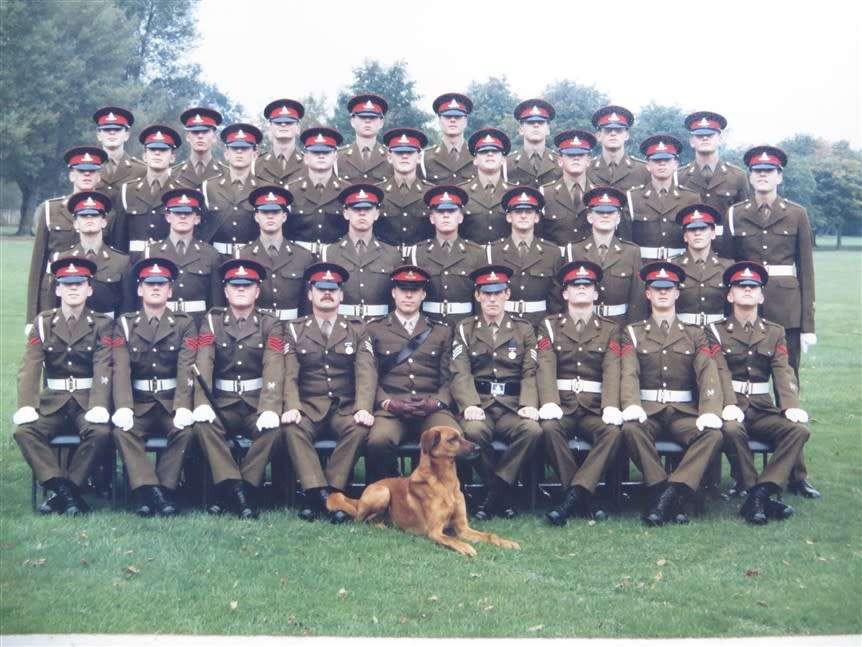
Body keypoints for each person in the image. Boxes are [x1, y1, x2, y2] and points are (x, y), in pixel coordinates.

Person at [723, 145, 819, 498]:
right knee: (737, 388)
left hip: (785, 310)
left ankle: (796, 474)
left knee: (787, 388)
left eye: (769, 171)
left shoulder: (796, 214)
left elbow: (806, 269)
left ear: (779, 176)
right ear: (750, 176)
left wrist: (807, 324)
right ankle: (740, 475)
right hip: (744, 306)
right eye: (757, 171)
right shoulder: (736, 213)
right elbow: (728, 267)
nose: (763, 176)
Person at [619, 261, 724, 526]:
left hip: (682, 412)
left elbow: (707, 372)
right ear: (648, 294)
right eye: (657, 288)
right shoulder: (632, 333)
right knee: (631, 429)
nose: (663, 293)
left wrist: (710, 410)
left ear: (677, 293)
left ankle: (672, 490)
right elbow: (629, 372)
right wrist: (632, 404)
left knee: (712, 434)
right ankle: (660, 489)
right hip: (649, 410)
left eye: (669, 288)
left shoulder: (695, 334)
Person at [708, 262, 811, 523]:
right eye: (740, 287)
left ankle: (761, 492)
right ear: (730, 295)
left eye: (752, 287)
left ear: (761, 296)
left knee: (798, 430)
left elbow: (782, 372)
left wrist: (790, 405)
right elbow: (718, 372)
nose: (747, 290)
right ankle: (754, 489)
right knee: (731, 429)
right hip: (732, 407)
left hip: (762, 408)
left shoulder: (774, 332)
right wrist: (727, 403)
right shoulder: (715, 332)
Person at [14, 257, 114, 515]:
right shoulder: (44, 323)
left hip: (86, 401)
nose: (73, 288)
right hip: (54, 401)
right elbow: (30, 367)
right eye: (66, 283)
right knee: (25, 431)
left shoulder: (102, 324)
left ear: (89, 289)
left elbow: (104, 366)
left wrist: (99, 405)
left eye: (79, 284)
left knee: (100, 433)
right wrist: (27, 404)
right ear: (57, 289)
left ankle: (66, 490)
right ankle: (63, 489)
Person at [282, 262, 376, 522]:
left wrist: (363, 408)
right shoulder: (292, 329)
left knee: (359, 428)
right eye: (320, 289)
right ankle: (319, 494)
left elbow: (366, 371)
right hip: (309, 406)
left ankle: (333, 491)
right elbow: (289, 373)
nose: (327, 293)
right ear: (310, 294)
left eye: (332, 289)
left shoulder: (357, 328)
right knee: (292, 428)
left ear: (341, 295)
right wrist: (292, 406)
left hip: (344, 407)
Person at [192, 259, 286, 519]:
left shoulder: (271, 324)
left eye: (248, 285)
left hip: (256, 403)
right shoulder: (213, 321)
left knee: (273, 430)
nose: (241, 289)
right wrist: (202, 402)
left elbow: (274, 365)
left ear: (257, 291)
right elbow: (204, 361)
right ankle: (237, 490)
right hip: (224, 402)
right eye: (235, 285)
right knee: (203, 426)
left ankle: (241, 487)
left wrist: (269, 407)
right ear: (226, 291)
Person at [450, 265, 542, 521]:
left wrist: (528, 403)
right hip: (481, 404)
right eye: (486, 293)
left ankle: (495, 492)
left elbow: (530, 371)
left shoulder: (524, 330)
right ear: (477, 296)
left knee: (532, 430)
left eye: (497, 293)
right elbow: (460, 371)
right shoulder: (465, 328)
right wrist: (469, 403)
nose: (492, 299)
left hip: (513, 405)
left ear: (507, 294)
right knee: (473, 431)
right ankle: (500, 493)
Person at [538, 261, 624, 525]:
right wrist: (550, 401)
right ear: (565, 294)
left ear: (596, 293)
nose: (582, 290)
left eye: (587, 286)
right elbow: (545, 364)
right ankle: (585, 496)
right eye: (575, 286)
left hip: (593, 407)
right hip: (561, 405)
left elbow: (612, 368)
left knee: (612, 432)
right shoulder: (549, 326)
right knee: (550, 428)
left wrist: (610, 405)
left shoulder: (611, 328)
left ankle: (573, 495)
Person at [111, 258, 197, 516]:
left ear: (170, 290)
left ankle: (160, 489)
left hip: (171, 401)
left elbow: (186, 368)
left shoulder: (185, 324)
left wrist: (182, 406)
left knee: (185, 432)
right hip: (139, 401)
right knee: (124, 432)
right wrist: (124, 406)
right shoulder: (125, 324)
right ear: (140, 289)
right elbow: (121, 369)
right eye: (150, 284)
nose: (156, 288)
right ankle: (153, 492)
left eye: (162, 284)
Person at [365, 266, 459, 483]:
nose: (408, 295)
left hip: (429, 408)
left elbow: (449, 377)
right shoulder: (374, 330)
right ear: (393, 293)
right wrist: (386, 403)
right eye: (403, 289)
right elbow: (368, 376)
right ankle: (391, 493)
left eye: (415, 290)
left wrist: (436, 403)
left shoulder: (441, 331)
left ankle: (446, 495)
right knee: (379, 440)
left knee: (452, 435)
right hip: (392, 409)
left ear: (423, 294)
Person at [27, 146, 108, 325]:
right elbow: (37, 266)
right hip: (54, 294)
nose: (86, 175)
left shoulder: (109, 212)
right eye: (81, 171)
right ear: (71, 175)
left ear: (98, 176)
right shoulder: (51, 209)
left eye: (92, 171)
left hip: (94, 292)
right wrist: (31, 318)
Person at [558, 187, 645, 324]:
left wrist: (632, 332)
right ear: (589, 217)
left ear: (618, 218)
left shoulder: (632, 252)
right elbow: (565, 296)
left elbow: (637, 300)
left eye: (610, 212)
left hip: (619, 325)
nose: (605, 216)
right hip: (583, 324)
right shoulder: (574, 250)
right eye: (599, 212)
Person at [318, 184, 402, 321]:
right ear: (346, 213)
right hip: (342, 326)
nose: (362, 213)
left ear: (376, 214)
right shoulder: (329, 252)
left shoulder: (392, 254)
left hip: (381, 327)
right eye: (356, 209)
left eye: (368, 209)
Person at [140, 188, 222, 325]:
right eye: (177, 212)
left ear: (197, 219)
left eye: (188, 213)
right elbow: (141, 301)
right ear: (168, 217)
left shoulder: (210, 254)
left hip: (198, 324)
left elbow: (216, 304)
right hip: (160, 324)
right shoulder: (151, 253)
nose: (182, 217)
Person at [235, 185, 315, 322]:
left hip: (292, 328)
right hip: (257, 331)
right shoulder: (242, 256)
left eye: (275, 211)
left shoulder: (303, 257)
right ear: (256, 217)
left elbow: (307, 305)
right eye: (265, 212)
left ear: (284, 217)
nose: (270, 216)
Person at [408, 185, 485, 324]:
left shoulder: (477, 253)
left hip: (464, 325)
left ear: (460, 217)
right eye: (440, 211)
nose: (445, 215)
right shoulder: (417, 253)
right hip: (428, 328)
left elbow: (481, 301)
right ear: (432, 218)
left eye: (451, 211)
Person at [485, 186, 561, 327]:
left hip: (540, 324)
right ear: (508, 217)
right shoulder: (493, 251)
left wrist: (551, 329)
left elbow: (556, 301)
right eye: (518, 211)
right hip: (503, 324)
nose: (523, 216)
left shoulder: (552, 252)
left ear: (537, 217)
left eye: (529, 211)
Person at [50, 191, 133, 318]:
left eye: (95, 215)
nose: (89, 219)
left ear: (104, 221)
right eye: (83, 216)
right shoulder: (62, 260)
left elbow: (128, 309)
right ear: (75, 223)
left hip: (109, 332)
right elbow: (54, 306)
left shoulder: (121, 262)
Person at [110, 125, 182, 258]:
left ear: (172, 157)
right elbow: (118, 239)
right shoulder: (127, 191)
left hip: (169, 264)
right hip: (134, 264)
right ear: (144, 156)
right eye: (152, 149)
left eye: (163, 149)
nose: (157, 153)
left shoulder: (181, 192)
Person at [676, 111, 749, 240]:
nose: (705, 138)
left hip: (727, 248)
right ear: (692, 141)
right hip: (690, 248)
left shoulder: (738, 176)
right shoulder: (679, 176)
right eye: (699, 135)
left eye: (710, 134)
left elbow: (744, 218)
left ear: (720, 139)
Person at [627, 134, 699, 260]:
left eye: (667, 160)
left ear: (676, 164)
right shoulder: (633, 198)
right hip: (644, 268)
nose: (662, 164)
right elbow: (626, 242)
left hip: (680, 267)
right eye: (656, 160)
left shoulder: (691, 198)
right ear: (648, 165)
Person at [199, 123, 266, 258]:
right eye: (234, 148)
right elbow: (200, 228)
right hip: (217, 258)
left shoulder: (264, 189)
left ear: (255, 154)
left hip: (254, 259)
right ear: (226, 153)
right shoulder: (209, 187)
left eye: (245, 148)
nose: (239, 152)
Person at [285, 126, 348, 250]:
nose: (321, 156)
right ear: (306, 158)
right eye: (315, 152)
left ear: (335, 156)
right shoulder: (291, 191)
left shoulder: (346, 191)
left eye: (326, 152)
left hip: (336, 260)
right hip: (299, 260)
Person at [670, 204, 733, 327]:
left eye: (703, 228)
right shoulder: (673, 267)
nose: (697, 233)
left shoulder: (727, 267)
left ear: (713, 233)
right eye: (692, 229)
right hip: (683, 333)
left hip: (718, 332)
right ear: (685, 236)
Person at [376, 127, 434, 248]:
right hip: (387, 262)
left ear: (419, 158)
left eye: (410, 152)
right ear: (389, 157)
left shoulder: (431, 193)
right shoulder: (377, 193)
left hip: (420, 261)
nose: (404, 156)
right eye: (399, 152)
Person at [540, 129, 598, 246]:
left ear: (588, 161)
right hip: (557, 262)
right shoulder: (545, 194)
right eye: (570, 154)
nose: (576, 158)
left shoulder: (598, 194)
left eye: (581, 155)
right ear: (560, 161)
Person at [461, 128, 513, 244]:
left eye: (495, 151)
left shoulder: (514, 194)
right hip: (472, 259)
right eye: (484, 151)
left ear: (503, 160)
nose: (490, 154)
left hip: (505, 259)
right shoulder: (461, 193)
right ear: (475, 160)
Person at [587, 105, 649, 192]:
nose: (613, 133)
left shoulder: (644, 170)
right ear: (598, 136)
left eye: (618, 130)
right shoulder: (586, 169)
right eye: (608, 130)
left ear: (626, 135)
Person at [506, 99, 562, 188]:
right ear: (521, 129)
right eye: (530, 122)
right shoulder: (506, 164)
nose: (536, 125)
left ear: (548, 129)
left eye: (541, 122)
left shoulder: (561, 163)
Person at [421, 93, 474, 184]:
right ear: (440, 121)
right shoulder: (424, 159)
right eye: (447, 116)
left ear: (465, 121)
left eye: (458, 117)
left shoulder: (478, 156)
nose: (452, 120)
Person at [338, 94, 392, 183]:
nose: (367, 121)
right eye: (362, 117)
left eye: (373, 117)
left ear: (381, 123)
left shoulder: (391, 157)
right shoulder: (337, 158)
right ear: (352, 121)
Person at [92, 106, 146, 195]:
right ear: (98, 135)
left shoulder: (141, 170)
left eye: (117, 129)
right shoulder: (88, 169)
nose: (112, 132)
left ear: (126, 135)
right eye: (106, 129)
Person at [255, 98, 305, 186]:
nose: (283, 124)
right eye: (278, 122)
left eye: (289, 122)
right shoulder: (255, 165)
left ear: (298, 128)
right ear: (270, 127)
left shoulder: (309, 164)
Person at [174, 107, 224, 190]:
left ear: (214, 137)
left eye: (205, 132)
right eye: (195, 132)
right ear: (187, 137)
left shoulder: (228, 174)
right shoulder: (172, 174)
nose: (200, 136)